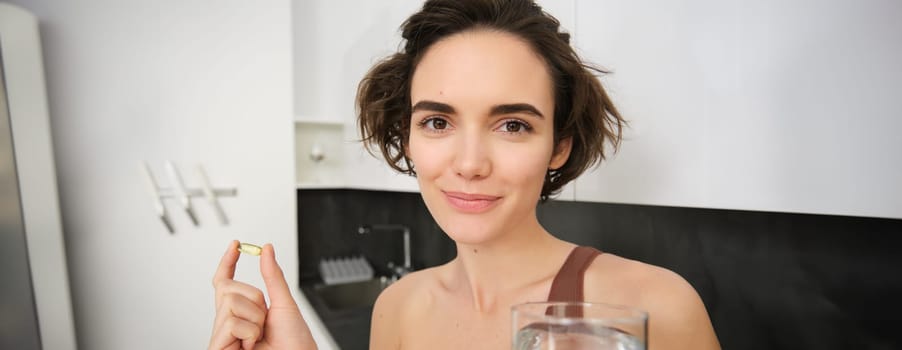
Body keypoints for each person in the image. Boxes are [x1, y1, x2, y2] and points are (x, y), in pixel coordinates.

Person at [209, 0, 721, 349]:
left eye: (513, 124)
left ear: (558, 147)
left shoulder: (654, 308)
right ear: (406, 136)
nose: (470, 164)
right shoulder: (397, 309)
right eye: (437, 121)